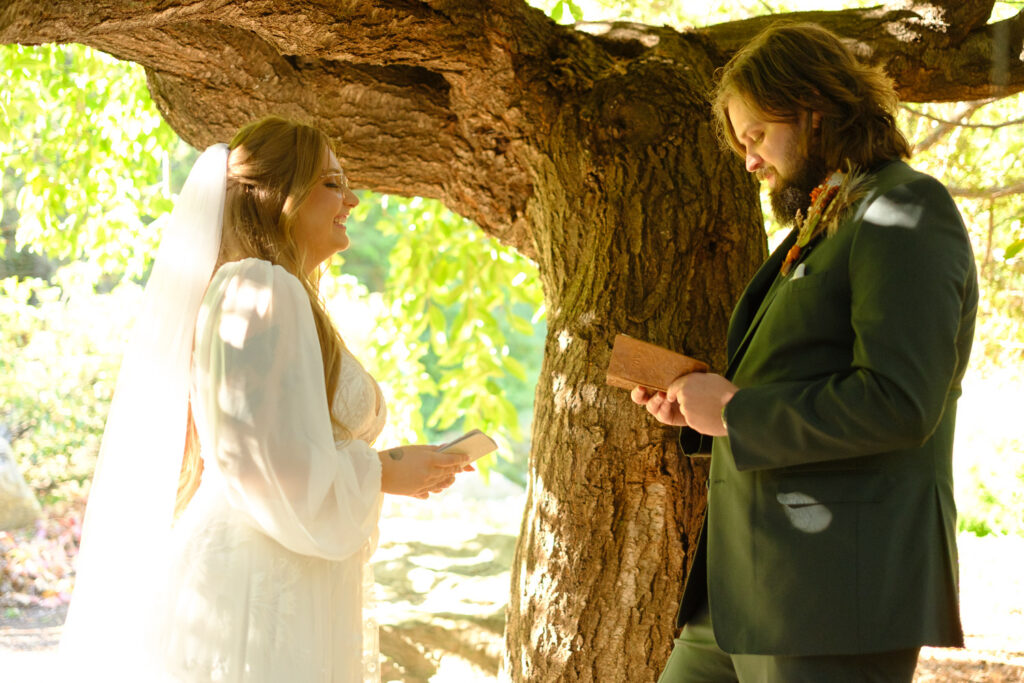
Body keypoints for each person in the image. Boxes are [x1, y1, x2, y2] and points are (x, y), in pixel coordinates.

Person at [58, 116, 473, 681]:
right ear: (278, 194)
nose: (351, 198)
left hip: (286, 573)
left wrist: (390, 468)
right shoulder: (258, 288)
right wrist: (384, 470)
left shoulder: (279, 291)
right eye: (331, 182)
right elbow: (265, 468)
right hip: (255, 589)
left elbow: (288, 442)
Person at [632, 23, 978, 683]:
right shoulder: (827, 219)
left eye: (756, 136)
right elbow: (797, 377)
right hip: (740, 590)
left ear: (813, 110)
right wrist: (698, 411)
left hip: (834, 593)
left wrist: (737, 412)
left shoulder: (905, 207)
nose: (748, 161)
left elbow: (899, 401)